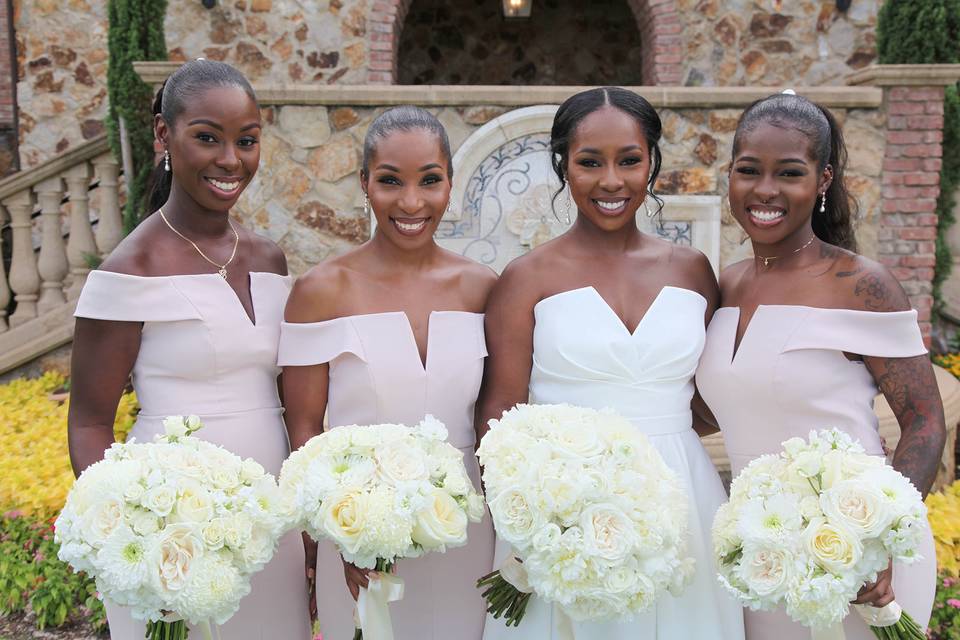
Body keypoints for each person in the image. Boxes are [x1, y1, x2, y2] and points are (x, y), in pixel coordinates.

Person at [478, 87, 745, 640]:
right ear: (563, 166)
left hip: (685, 501)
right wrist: (541, 510)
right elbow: (499, 411)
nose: (611, 181)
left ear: (652, 163)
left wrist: (657, 445)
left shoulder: (693, 271)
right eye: (589, 162)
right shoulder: (527, 278)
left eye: (630, 160)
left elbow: (711, 395)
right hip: (565, 508)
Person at [67, 59, 310, 639]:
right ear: (163, 136)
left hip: (270, 514)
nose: (231, 160)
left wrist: (307, 519)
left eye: (246, 141)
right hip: (173, 529)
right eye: (207, 138)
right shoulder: (132, 269)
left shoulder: (268, 258)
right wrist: (135, 533)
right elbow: (89, 422)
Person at [695, 91, 944, 639]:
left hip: (856, 554)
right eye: (748, 170)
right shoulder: (725, 284)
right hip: (758, 549)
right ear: (729, 174)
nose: (765, 190)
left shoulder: (861, 285)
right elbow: (717, 407)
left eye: (789, 173)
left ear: (823, 179)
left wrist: (880, 540)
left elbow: (925, 420)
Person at [279, 105, 497, 640]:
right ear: (364, 184)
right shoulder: (320, 291)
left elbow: (500, 418)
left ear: (450, 182)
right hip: (359, 539)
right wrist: (342, 535)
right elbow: (304, 433)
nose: (411, 202)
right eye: (390, 181)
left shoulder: (484, 288)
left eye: (430, 180)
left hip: (470, 535)